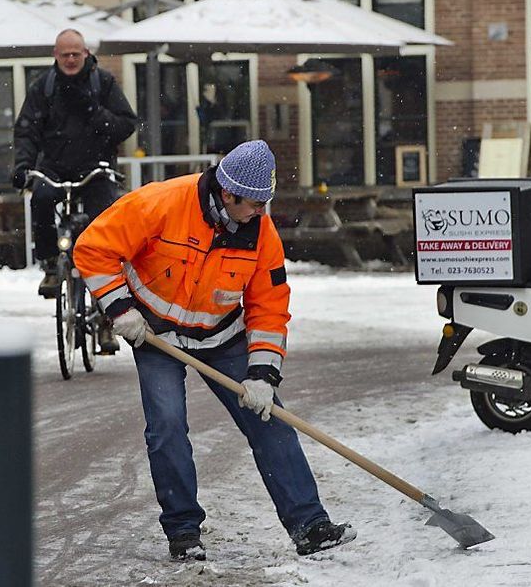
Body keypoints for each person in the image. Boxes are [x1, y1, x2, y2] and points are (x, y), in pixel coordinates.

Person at [73, 140, 356, 560]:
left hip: (223, 336)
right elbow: (93, 248)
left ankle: (309, 525)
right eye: (254, 204)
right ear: (228, 193)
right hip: (155, 335)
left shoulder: (261, 234)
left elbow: (269, 306)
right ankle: (184, 532)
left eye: (265, 204)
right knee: (167, 427)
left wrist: (262, 374)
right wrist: (121, 310)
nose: (260, 213)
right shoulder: (162, 203)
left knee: (270, 419)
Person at [11, 28, 136, 354]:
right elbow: (26, 131)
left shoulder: (103, 83)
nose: (70, 59)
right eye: (64, 54)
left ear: (85, 54)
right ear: (56, 55)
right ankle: (52, 264)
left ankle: (108, 315)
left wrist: (94, 112)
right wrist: (23, 167)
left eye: (75, 54)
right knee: (40, 198)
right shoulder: (43, 88)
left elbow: (126, 125)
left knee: (107, 225)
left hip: (95, 168)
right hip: (54, 165)